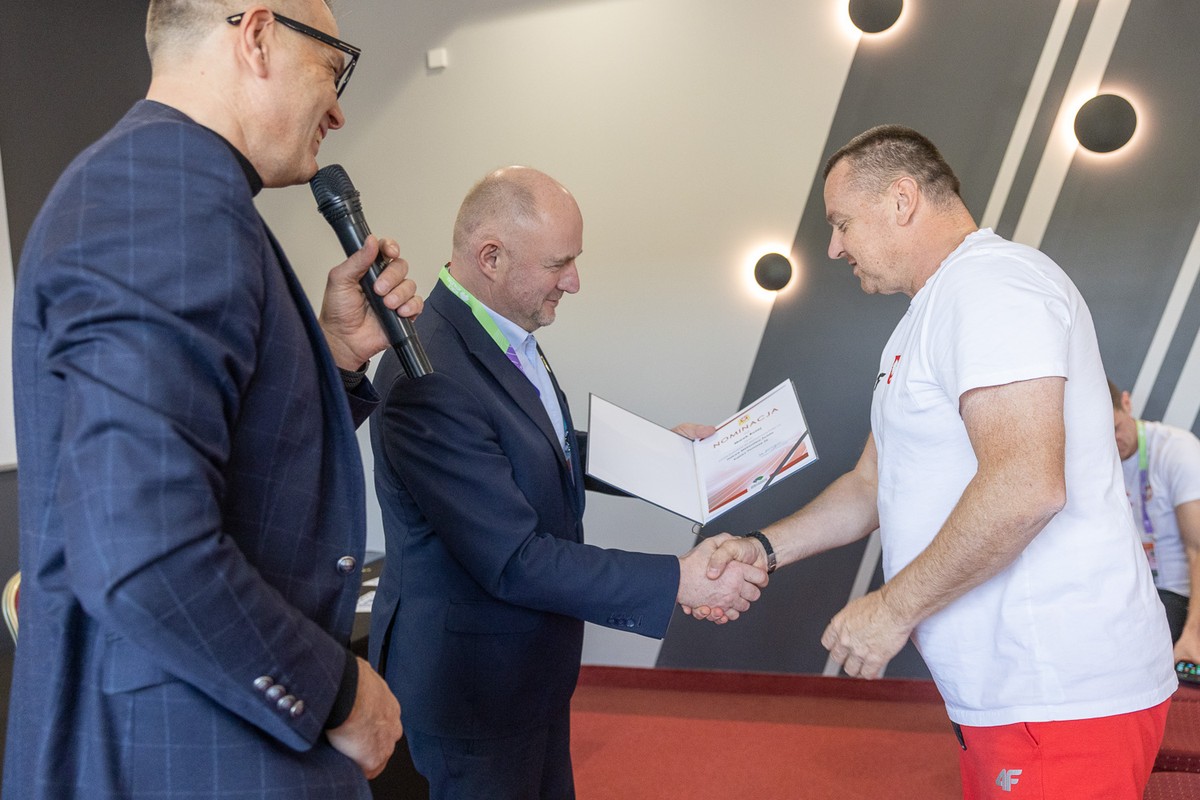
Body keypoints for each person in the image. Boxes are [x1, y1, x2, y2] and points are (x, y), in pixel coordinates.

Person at [4, 3, 417, 797]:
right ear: (257, 37)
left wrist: (334, 355)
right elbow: (142, 546)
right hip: (191, 751)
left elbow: (227, 465)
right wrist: (336, 690)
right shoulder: (160, 197)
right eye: (333, 69)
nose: (338, 111)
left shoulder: (174, 187)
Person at [697, 125, 1177, 799]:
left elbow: (1026, 485)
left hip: (1059, 689)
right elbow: (871, 485)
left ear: (902, 200)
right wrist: (761, 548)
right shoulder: (928, 314)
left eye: (841, 223)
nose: (834, 247)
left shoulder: (993, 286)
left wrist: (893, 608)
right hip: (1003, 693)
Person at [368, 165, 767, 800]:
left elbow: (533, 444)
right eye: (560, 263)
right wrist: (679, 578)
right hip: (469, 691)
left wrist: (666, 458)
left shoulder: (495, 329)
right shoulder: (429, 370)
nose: (574, 282)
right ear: (491, 257)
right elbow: (514, 558)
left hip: (526, 674)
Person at [1110, 379, 1200, 662]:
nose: (1112, 441)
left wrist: (1193, 634)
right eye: (1102, 435)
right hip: (1133, 588)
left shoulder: (1176, 449)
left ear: (1127, 403)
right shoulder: (1096, 459)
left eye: (1116, 428)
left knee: (1137, 648)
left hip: (1177, 592)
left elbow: (1197, 549)